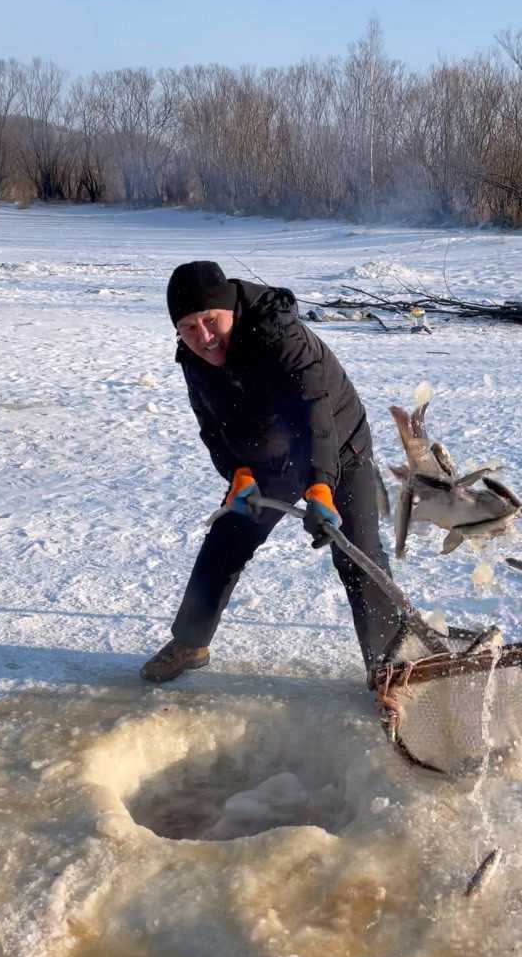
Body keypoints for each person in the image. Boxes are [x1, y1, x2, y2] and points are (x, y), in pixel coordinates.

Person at [141, 261, 402, 683]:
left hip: (337, 445)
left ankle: (391, 669)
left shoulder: (281, 333)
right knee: (228, 538)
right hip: (269, 457)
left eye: (210, 320)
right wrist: (238, 474)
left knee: (358, 555)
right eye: (188, 327)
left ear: (231, 311)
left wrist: (321, 485)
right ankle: (190, 642)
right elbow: (212, 425)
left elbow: (317, 413)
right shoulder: (193, 357)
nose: (204, 337)